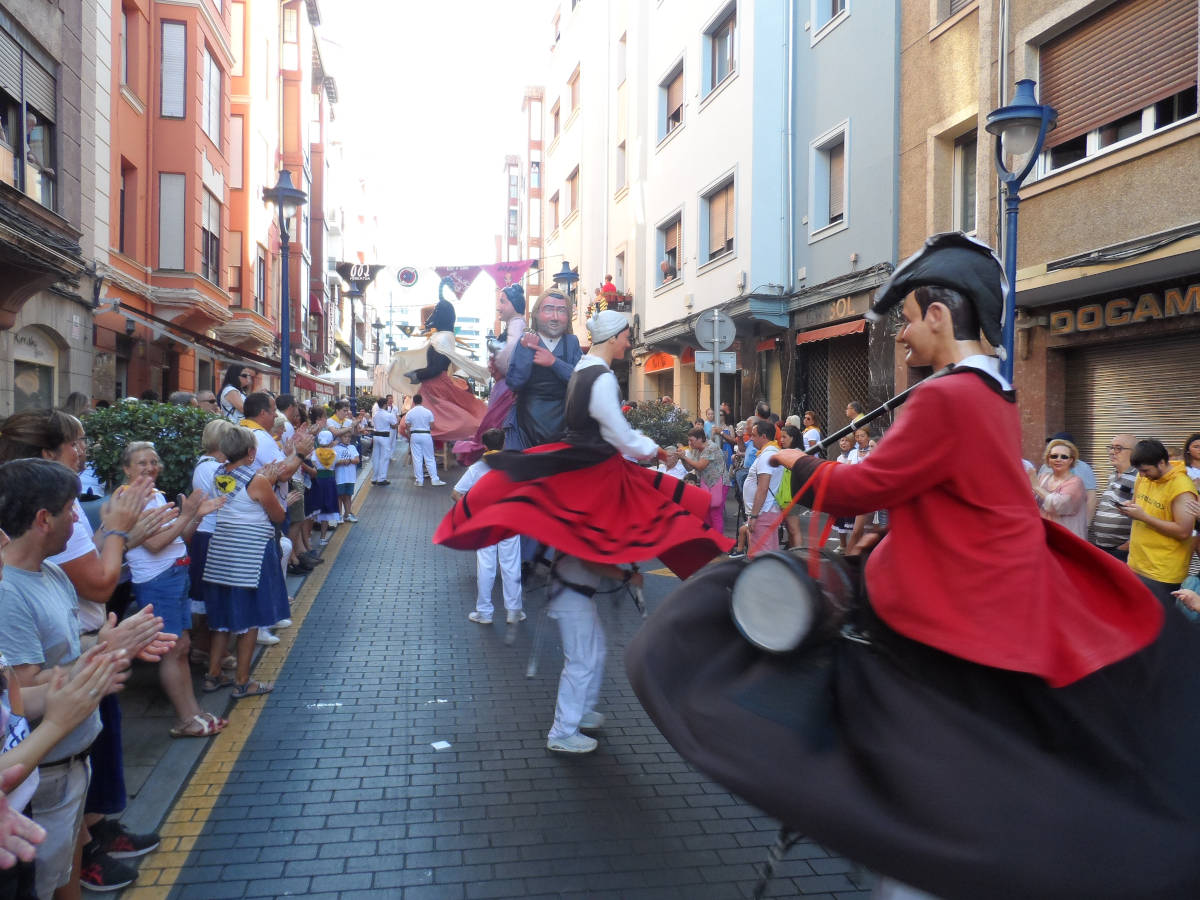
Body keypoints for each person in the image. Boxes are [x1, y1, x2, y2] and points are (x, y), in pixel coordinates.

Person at [648, 233, 1181, 898]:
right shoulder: (995, 393)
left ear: (939, 315)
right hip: (991, 602)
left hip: (950, 611)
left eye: (906, 318)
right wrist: (896, 540)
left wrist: (794, 463)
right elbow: (950, 497)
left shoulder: (944, 397)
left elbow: (858, 489)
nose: (901, 335)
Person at [435, 310, 732, 753]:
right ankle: (563, 730)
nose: (630, 344)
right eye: (628, 337)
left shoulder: (582, 373)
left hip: (583, 465)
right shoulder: (601, 378)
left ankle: (581, 713)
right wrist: (652, 450)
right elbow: (618, 433)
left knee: (592, 648)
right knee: (661, 513)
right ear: (613, 337)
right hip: (595, 466)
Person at [0, 459, 171, 900]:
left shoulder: (51, 572)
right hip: (44, 775)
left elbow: (70, 651)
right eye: (70, 508)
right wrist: (108, 651)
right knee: (40, 885)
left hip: (74, 761)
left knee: (64, 878)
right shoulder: (8, 592)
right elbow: (25, 691)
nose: (78, 517)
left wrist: (110, 642)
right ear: (42, 519)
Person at [118, 443, 228, 739]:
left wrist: (196, 516)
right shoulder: (128, 499)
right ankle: (185, 718)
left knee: (182, 647)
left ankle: (193, 712)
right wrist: (186, 515)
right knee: (172, 649)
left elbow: (181, 537)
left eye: (153, 461)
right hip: (157, 580)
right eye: (141, 462)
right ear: (126, 469)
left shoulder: (155, 496)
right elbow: (153, 544)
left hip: (176, 574)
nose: (150, 467)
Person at [201, 427, 295, 700]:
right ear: (252, 452)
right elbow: (277, 516)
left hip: (222, 553)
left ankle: (213, 674)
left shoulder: (218, 474)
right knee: (250, 620)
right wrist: (276, 487)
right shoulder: (258, 481)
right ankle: (243, 681)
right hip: (251, 553)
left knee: (221, 620)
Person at [387, 278, 489, 445]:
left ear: (442, 316)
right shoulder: (442, 337)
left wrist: (417, 374)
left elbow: (435, 367)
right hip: (431, 385)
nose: (432, 316)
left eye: (436, 312)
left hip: (435, 386)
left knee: (413, 424)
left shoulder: (443, 338)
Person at [452, 429, 524, 627]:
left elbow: (456, 493)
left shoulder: (477, 468)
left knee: (486, 566)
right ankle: (514, 612)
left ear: (484, 446)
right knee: (511, 566)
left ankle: (484, 612)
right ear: (503, 444)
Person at [1118, 438, 1199, 607]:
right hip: (1137, 563)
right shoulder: (1145, 477)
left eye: (1146, 470)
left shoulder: (1181, 487)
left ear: (1161, 462)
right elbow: (1138, 505)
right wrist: (1129, 508)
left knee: (1158, 625)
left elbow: (1184, 531)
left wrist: (1145, 517)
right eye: (1139, 471)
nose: (1142, 475)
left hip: (1162, 572)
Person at [453, 284, 527, 464]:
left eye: (503, 302)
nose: (499, 307)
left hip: (506, 389)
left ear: (514, 304)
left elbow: (508, 360)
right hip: (503, 388)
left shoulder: (516, 325)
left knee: (493, 430)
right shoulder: (514, 326)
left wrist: (496, 350)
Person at [504, 291, 583, 449]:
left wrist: (554, 362)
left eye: (561, 311)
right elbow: (514, 383)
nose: (555, 317)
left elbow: (581, 381)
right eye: (548, 309)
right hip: (527, 424)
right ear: (537, 314)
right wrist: (526, 352)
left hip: (563, 424)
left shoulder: (571, 342)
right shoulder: (526, 341)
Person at [1088, 434, 1138, 562]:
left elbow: (1144, 512)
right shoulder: (1113, 474)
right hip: (1101, 546)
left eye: (1118, 448)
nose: (1112, 452)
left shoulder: (1139, 477)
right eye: (1111, 448)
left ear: (1134, 452)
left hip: (1120, 551)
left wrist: (1128, 544)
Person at [741, 421, 784, 557]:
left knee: (760, 556)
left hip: (763, 512)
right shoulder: (772, 452)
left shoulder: (766, 456)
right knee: (769, 554)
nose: (751, 438)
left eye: (753, 435)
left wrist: (754, 516)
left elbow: (763, 488)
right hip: (768, 511)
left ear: (764, 436)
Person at [1031, 439, 1088, 539]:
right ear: (1048, 459)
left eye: (1064, 457)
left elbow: (1060, 505)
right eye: (1054, 456)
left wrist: (1036, 487)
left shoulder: (1076, 482)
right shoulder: (1043, 478)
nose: (1058, 459)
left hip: (1067, 540)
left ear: (1071, 460)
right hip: (1044, 536)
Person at [678, 426, 728, 533]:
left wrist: (686, 457)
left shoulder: (711, 447)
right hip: (706, 483)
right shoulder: (696, 450)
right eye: (689, 440)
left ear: (700, 439)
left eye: (691, 440)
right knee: (705, 512)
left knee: (715, 512)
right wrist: (682, 458)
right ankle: (709, 539)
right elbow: (690, 468)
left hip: (719, 482)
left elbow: (700, 466)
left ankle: (718, 543)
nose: (689, 443)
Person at [307, 431, 341, 543]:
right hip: (329, 481)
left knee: (314, 508)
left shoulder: (314, 453)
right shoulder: (334, 454)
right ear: (331, 440)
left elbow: (312, 464)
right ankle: (322, 537)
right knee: (326, 508)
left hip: (317, 480)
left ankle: (308, 538)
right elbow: (336, 463)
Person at [403, 394, 443, 486]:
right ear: (421, 401)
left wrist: (410, 436)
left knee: (417, 459)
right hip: (426, 435)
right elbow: (432, 426)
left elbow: (407, 426)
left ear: (414, 402)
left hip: (414, 435)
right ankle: (435, 479)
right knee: (429, 457)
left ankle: (419, 481)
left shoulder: (410, 413)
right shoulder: (428, 412)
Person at [369, 398, 398, 486]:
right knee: (384, 457)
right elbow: (394, 425)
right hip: (384, 437)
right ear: (385, 404)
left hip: (376, 436)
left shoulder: (375, 414)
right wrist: (398, 420)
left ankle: (374, 478)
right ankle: (381, 479)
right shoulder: (388, 415)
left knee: (376, 457)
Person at [334, 431, 360, 520]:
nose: (347, 438)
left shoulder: (352, 447)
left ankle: (347, 514)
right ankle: (339, 515)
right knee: (339, 496)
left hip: (350, 477)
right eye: (345, 436)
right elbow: (333, 463)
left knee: (348, 495)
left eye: (349, 437)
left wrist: (349, 461)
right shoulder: (335, 448)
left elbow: (357, 459)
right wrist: (341, 462)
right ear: (340, 437)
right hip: (340, 477)